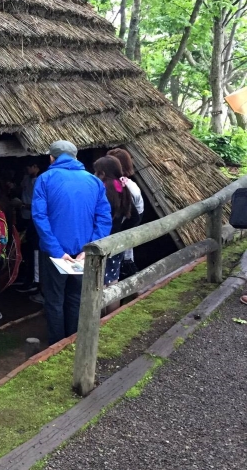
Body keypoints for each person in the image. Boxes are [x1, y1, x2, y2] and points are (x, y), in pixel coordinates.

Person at [32, 141, 112, 346]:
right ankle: (74, 343)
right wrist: (89, 249)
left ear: (52, 158)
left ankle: (56, 345)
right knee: (76, 298)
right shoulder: (94, 182)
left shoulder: (44, 180)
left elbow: (40, 217)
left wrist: (57, 250)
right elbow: (104, 219)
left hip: (54, 254)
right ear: (75, 157)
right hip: (82, 254)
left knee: (54, 300)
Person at [93, 156, 141, 310]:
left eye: (96, 172)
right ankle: (111, 318)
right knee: (113, 281)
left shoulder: (101, 189)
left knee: (98, 284)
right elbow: (134, 215)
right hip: (116, 243)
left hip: (102, 242)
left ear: (102, 173)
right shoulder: (122, 187)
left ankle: (99, 321)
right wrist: (121, 231)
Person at [106, 148, 144, 278]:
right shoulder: (119, 184)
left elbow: (135, 217)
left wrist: (117, 234)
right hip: (119, 235)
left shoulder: (128, 188)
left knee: (114, 275)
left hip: (120, 236)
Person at [19, 162, 42, 300]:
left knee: (35, 252)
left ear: (36, 166)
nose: (27, 168)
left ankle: (35, 282)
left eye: (29, 166)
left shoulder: (39, 181)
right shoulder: (27, 178)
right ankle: (28, 278)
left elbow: (37, 205)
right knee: (27, 250)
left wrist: (22, 205)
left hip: (34, 218)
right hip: (25, 217)